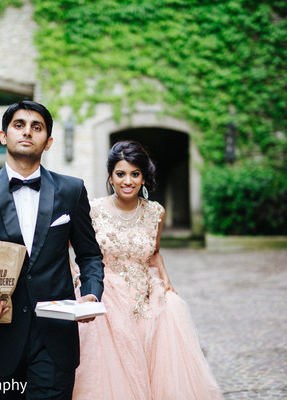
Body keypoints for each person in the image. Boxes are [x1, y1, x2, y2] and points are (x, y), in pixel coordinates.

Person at [0, 100, 104, 399]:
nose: (27, 132)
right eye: (19, 125)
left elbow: (89, 254)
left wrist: (90, 292)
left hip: (55, 336)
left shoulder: (72, 190)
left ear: (47, 142)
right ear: (3, 135)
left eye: (37, 127)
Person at [71, 140, 224, 399]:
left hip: (145, 302)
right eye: (120, 174)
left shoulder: (156, 212)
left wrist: (165, 280)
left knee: (156, 373)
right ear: (110, 176)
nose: (127, 181)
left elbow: (153, 253)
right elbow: (79, 253)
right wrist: (78, 279)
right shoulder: (93, 210)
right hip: (106, 301)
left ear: (143, 177)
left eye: (135, 174)